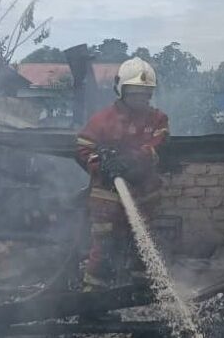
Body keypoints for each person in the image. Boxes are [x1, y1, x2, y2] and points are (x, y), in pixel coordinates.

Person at [75, 57, 169, 292]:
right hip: (108, 194)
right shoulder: (101, 120)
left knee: (144, 243)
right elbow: (83, 148)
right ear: (121, 89)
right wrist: (101, 164)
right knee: (104, 245)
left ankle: (142, 292)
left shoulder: (157, 119)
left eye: (145, 93)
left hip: (144, 192)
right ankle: (93, 299)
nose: (140, 98)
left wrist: (133, 159)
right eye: (134, 93)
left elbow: (160, 144)